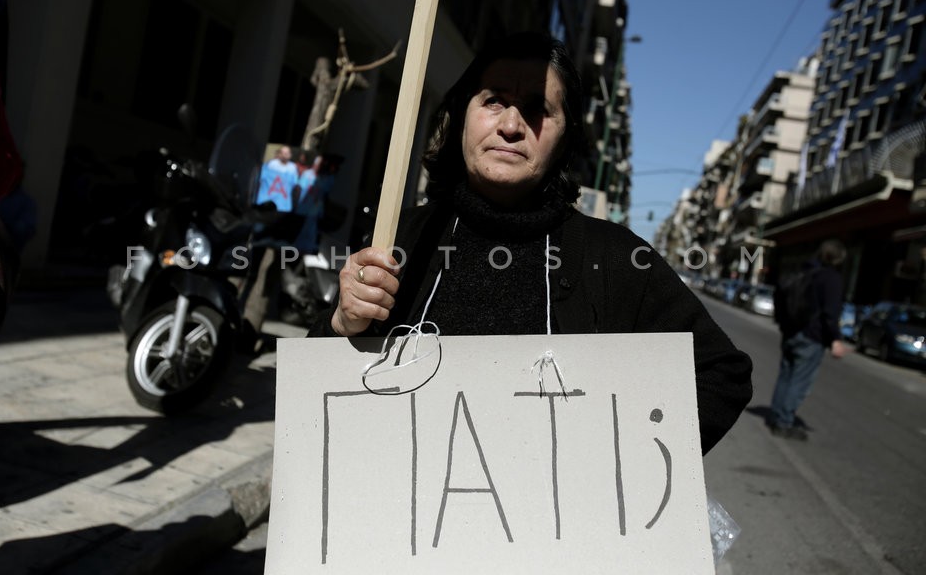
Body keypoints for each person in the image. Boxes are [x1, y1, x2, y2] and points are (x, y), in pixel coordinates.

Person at [307, 31, 752, 455]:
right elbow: (317, 385)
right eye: (494, 100)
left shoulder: (615, 258)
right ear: (463, 113)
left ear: (564, 139)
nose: (511, 125)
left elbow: (719, 374)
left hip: (555, 532)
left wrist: (624, 469)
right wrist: (343, 323)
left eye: (538, 109)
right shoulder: (402, 236)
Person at [768, 239, 847, 441]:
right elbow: (830, 313)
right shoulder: (831, 279)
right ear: (838, 258)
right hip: (811, 336)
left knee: (786, 376)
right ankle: (784, 422)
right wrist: (835, 340)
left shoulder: (804, 272)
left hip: (791, 332)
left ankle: (775, 415)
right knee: (799, 381)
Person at [256, 144, 300, 213]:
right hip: (265, 202)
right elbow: (259, 179)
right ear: (279, 154)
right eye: (282, 153)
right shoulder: (270, 165)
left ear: (290, 155)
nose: (284, 155)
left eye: (286, 153)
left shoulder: (293, 168)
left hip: (282, 206)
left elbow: (295, 185)